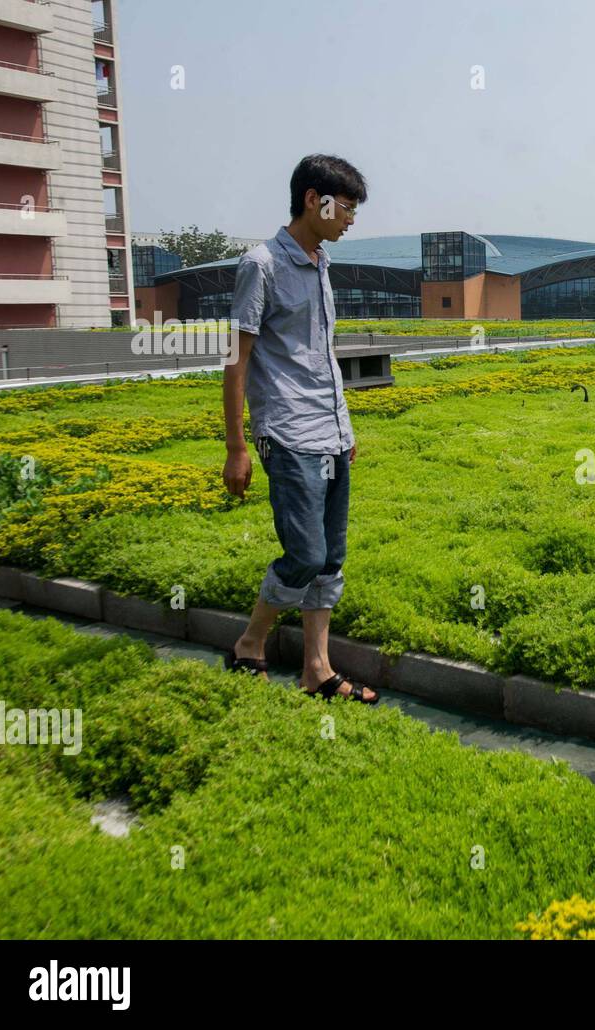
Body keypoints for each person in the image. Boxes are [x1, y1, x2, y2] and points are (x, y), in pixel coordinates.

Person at [220, 154, 377, 704]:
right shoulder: (260, 265)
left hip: (330, 431)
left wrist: (346, 424)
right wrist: (237, 446)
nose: (351, 219)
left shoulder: (322, 262)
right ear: (314, 199)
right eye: (347, 207)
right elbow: (236, 361)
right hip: (286, 433)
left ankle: (317, 668)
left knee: (331, 557)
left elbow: (322, 355)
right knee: (305, 554)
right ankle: (249, 643)